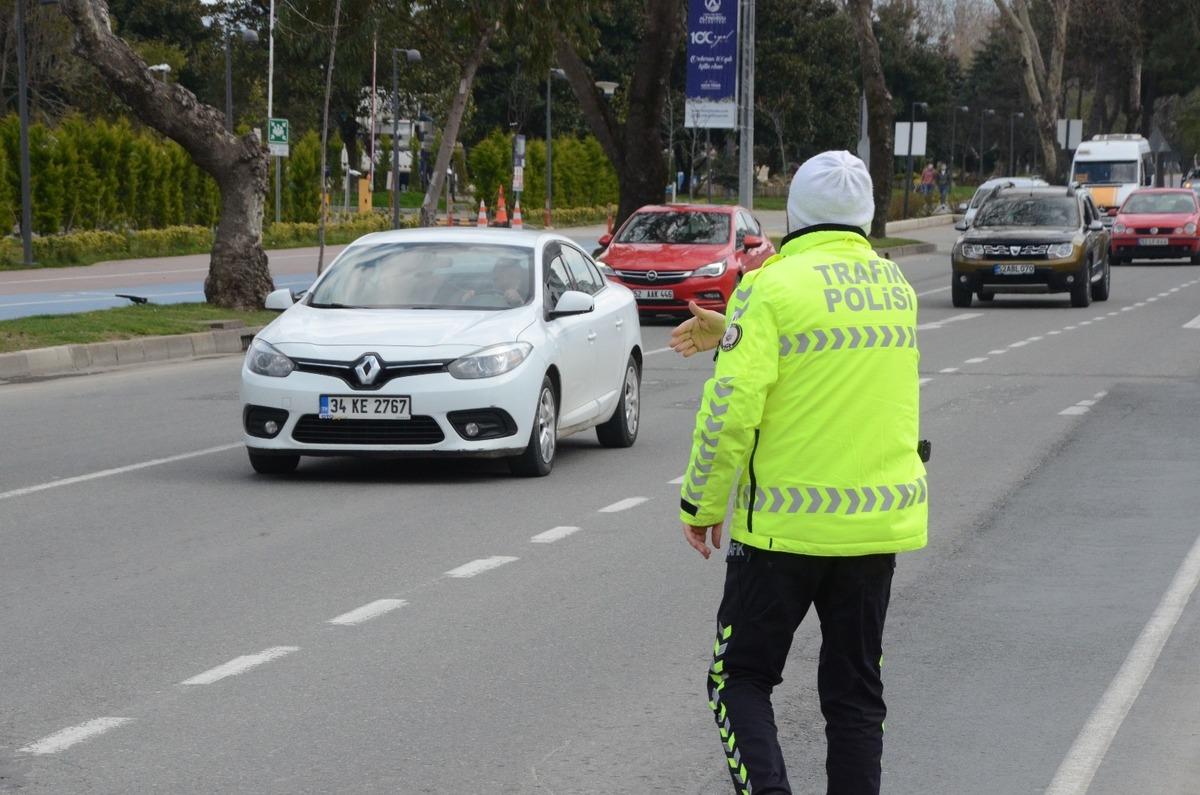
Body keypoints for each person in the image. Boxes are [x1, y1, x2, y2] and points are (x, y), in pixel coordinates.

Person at [670, 150, 928, 795]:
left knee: (739, 681)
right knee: (854, 698)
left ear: (794, 214)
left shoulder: (771, 287)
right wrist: (734, 329)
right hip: (872, 532)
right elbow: (829, 360)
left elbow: (730, 412)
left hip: (782, 535)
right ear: (866, 214)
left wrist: (700, 505)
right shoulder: (895, 288)